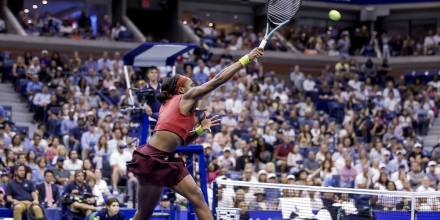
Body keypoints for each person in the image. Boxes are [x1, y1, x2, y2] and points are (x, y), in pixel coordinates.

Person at [127, 47, 264, 220]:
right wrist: (246, 59)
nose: (196, 87)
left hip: (167, 160)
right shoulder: (185, 97)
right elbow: (217, 80)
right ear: (183, 91)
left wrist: (199, 129)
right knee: (143, 214)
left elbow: (180, 141)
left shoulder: (168, 105)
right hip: (151, 159)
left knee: (197, 198)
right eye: (191, 85)